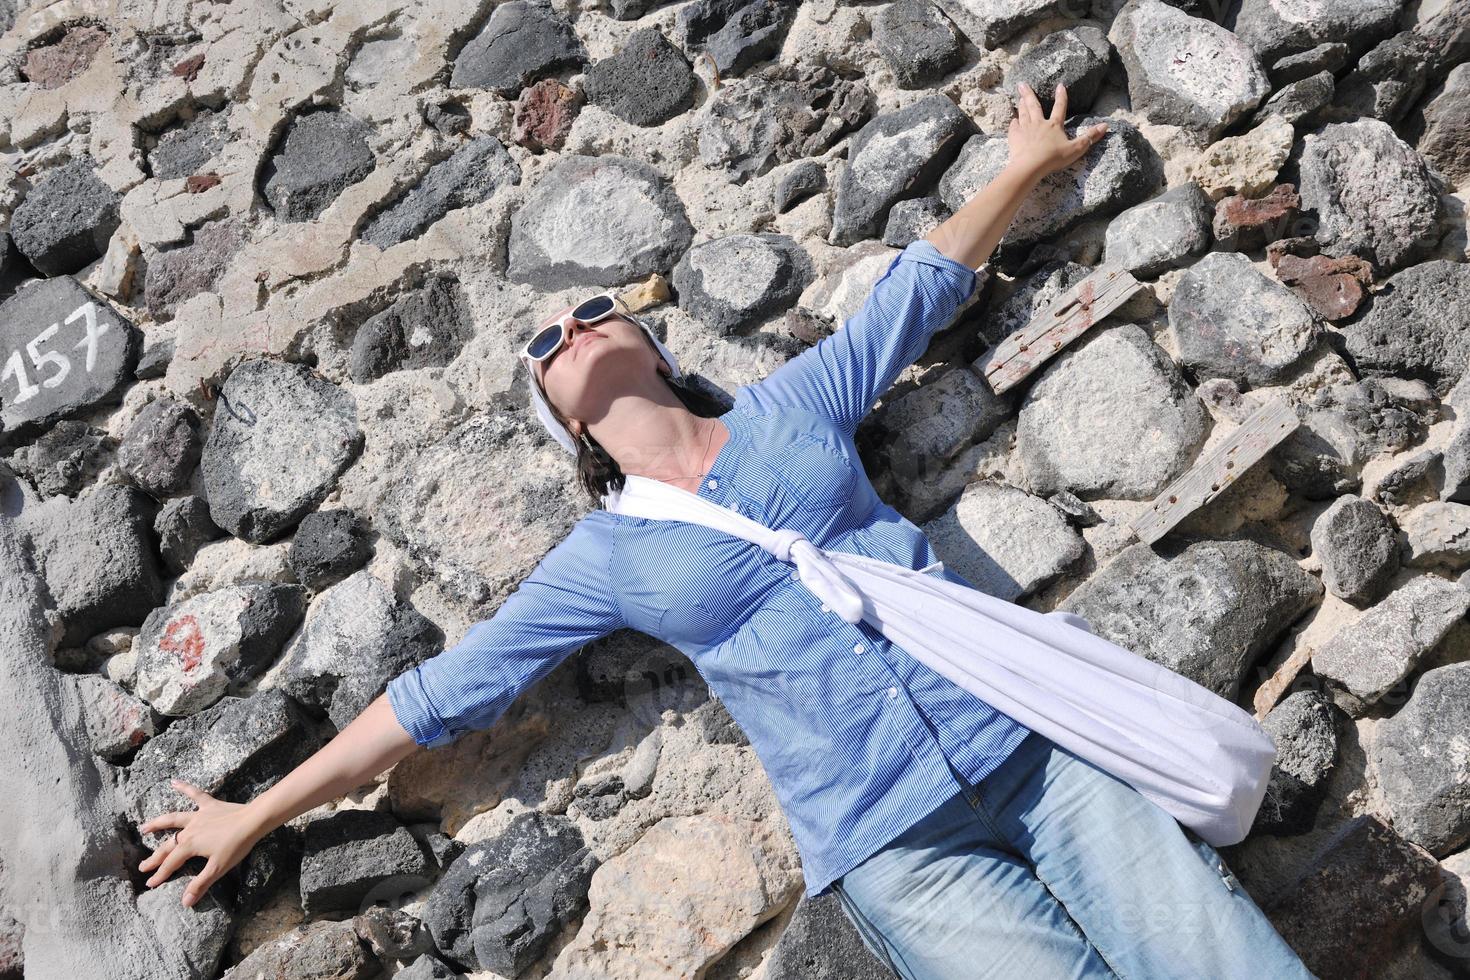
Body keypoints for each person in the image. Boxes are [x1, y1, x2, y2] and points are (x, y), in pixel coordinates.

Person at [136, 82, 1316, 979]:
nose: (572, 331)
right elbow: (442, 694)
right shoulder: (604, 557)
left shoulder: (789, 409)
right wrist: (256, 809)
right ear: (565, 425)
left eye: (594, 312)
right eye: (545, 345)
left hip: (1026, 738)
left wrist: (1019, 171)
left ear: (655, 348)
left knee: (1225, 958)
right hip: (890, 835)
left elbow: (911, 293)